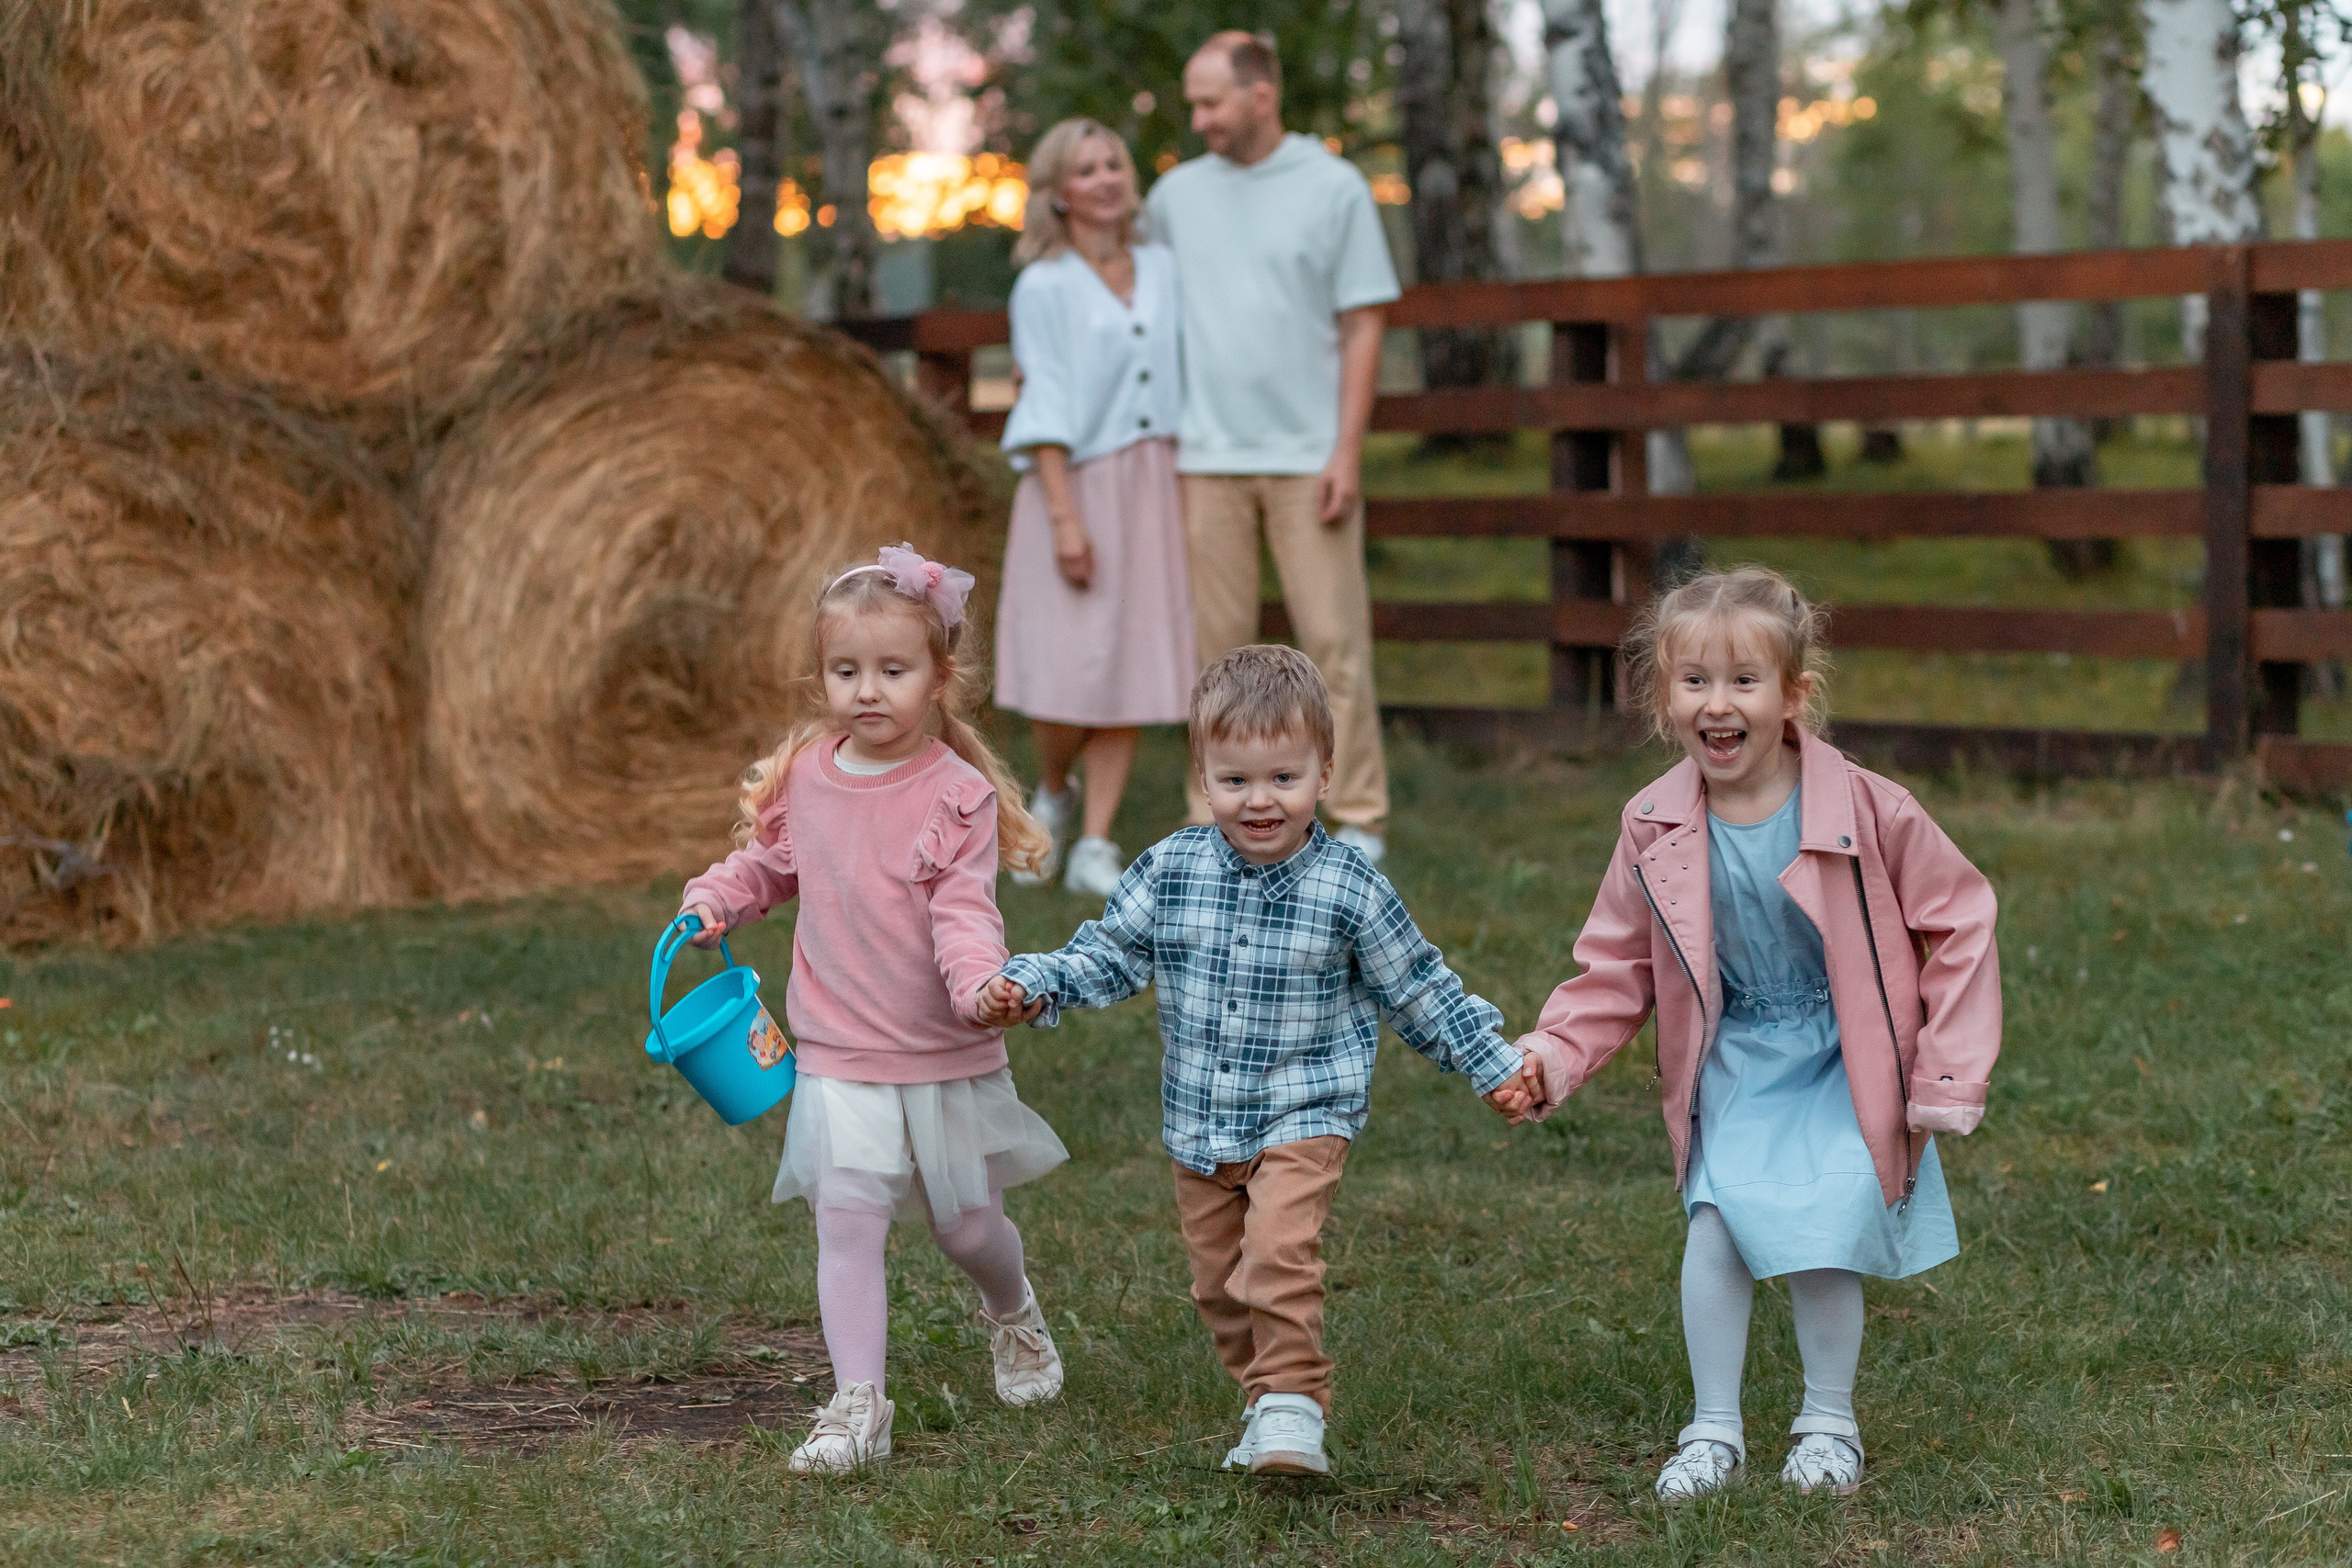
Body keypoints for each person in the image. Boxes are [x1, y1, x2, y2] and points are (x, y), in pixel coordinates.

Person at [1499, 567, 2002, 1500]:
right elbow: (1618, 964)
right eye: (1693, 680)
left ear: (1792, 695)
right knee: (1717, 1227)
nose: (1718, 703)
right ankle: (1713, 1431)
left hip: (1846, 1057)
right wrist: (1554, 1052)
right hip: (1734, 1057)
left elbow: (1962, 920)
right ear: (1664, 700)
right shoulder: (1652, 823)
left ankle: (1829, 1423)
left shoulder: (1870, 810)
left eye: (1743, 680)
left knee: (1824, 1233)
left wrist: (1944, 1073)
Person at [973, 646, 1535, 1477]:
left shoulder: (1349, 888)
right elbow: (1109, 954)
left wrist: (1491, 1062)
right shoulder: (1171, 869)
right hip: (1200, 1123)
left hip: (1306, 1109)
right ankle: (1262, 1399)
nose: (1260, 799)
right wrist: (1036, 982)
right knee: (1219, 1288)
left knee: (1276, 1255)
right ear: (1203, 777)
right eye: (1235, 779)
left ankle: (1295, 1405)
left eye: (1283, 777)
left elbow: (1419, 987)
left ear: (1325, 774)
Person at [678, 545, 1071, 1474]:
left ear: (939, 678)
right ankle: (858, 1405)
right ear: (820, 677)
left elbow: (964, 912)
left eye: (893, 670)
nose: (867, 690)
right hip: (838, 1049)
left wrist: (979, 987)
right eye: (845, 670)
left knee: (966, 1229)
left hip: (938, 1049)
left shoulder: (955, 795)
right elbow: (770, 864)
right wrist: (717, 899)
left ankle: (1012, 1308)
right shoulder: (809, 776)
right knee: (847, 1218)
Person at [1147, 31, 1400, 864]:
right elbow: (1132, 305)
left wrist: (1346, 452)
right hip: (1204, 458)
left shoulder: (1333, 188)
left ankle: (1357, 815)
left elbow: (1364, 324)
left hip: (1308, 458)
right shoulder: (1175, 196)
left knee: (1333, 641)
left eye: (1210, 101)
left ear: (1261, 96)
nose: (1198, 119)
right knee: (1215, 655)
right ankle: (1212, 816)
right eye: (1193, 103)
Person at [996, 118, 1194, 898]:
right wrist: (1064, 518)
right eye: (1086, 170)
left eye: (1114, 163)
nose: (1106, 179)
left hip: (1153, 480)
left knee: (1130, 664)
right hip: (1071, 483)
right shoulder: (1042, 285)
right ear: (1058, 193)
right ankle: (1054, 790)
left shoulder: (1164, 265)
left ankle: (1097, 841)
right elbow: (1042, 395)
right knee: (1065, 667)